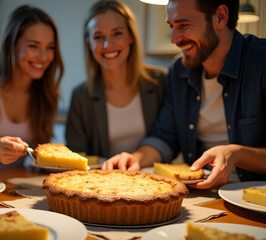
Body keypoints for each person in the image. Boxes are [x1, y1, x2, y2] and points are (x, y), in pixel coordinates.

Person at [102, 0, 266, 188]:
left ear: (220, 17)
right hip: (203, 195)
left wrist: (238, 154)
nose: (174, 39)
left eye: (184, 25)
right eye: (172, 27)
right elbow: (164, 137)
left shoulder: (261, 62)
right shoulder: (179, 72)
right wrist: (136, 157)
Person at [66, 0, 166, 158]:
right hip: (101, 181)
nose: (108, 45)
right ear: (89, 44)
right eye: (98, 37)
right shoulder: (80, 96)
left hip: (153, 179)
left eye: (117, 33)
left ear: (131, 36)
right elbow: (76, 155)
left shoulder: (160, 81)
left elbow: (168, 140)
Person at [0, 5, 64, 170]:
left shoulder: (46, 95)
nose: (43, 57)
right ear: (12, 44)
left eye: (50, 48)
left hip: (16, 184)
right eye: (33, 46)